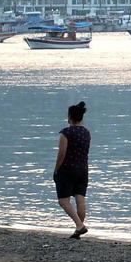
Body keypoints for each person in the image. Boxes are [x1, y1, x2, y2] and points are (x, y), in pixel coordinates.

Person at [53, 101, 91, 239]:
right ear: (81, 117)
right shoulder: (86, 133)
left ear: (70, 117)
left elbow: (62, 153)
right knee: (80, 200)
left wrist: (57, 169)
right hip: (83, 170)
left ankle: (79, 226)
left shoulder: (66, 133)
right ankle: (78, 230)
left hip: (67, 170)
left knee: (63, 201)